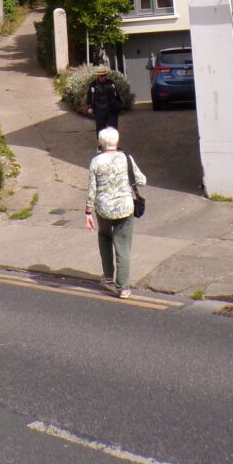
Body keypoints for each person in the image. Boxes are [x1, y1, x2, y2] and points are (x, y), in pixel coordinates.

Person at [85, 127, 146, 299]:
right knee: (123, 245)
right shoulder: (127, 158)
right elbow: (142, 180)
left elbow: (92, 189)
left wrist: (88, 212)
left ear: (100, 143)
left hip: (103, 208)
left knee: (104, 236)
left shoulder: (96, 162)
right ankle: (123, 287)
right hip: (125, 207)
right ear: (117, 142)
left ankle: (108, 275)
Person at [86, 65, 122, 132]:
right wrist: (89, 107)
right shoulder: (93, 85)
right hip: (99, 111)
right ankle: (101, 142)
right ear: (98, 76)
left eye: (104, 75)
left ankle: (112, 142)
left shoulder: (110, 83)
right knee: (101, 131)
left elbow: (116, 94)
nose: (103, 77)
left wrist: (119, 104)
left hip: (111, 110)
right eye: (101, 76)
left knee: (113, 130)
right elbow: (89, 97)